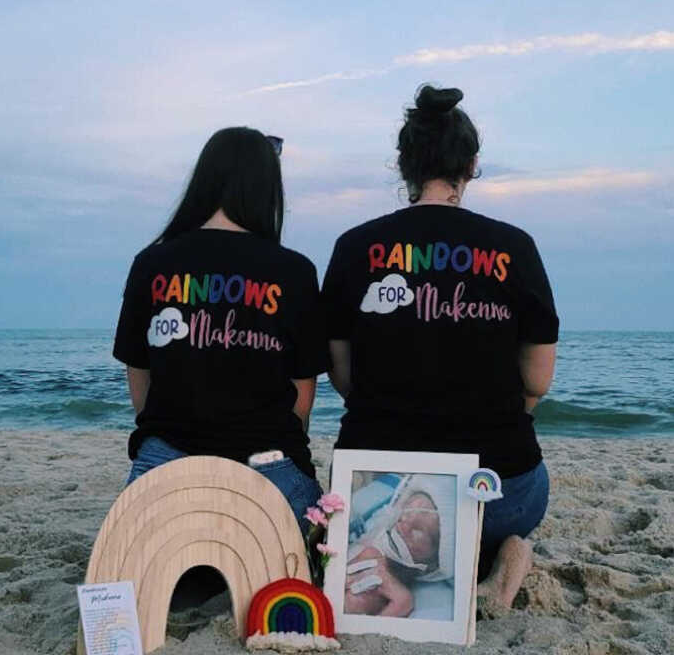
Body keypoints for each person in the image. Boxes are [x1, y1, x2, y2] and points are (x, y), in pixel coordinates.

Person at [322, 86, 558, 613]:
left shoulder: (354, 246)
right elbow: (538, 380)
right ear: (471, 165)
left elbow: (343, 376)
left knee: (375, 534)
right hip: (497, 490)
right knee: (506, 501)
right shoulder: (513, 246)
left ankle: (440, 562)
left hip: (371, 474)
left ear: (404, 165)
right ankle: (493, 552)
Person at [113, 127, 325, 527]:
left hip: (165, 459)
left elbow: (138, 372)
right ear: (267, 189)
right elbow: (302, 394)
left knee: (131, 564)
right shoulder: (294, 270)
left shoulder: (152, 263)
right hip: (268, 462)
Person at [344, 474, 456, 618]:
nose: (404, 524)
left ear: (434, 565)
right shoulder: (369, 550)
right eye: (405, 514)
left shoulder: (402, 598)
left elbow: (380, 626)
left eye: (419, 530)